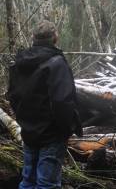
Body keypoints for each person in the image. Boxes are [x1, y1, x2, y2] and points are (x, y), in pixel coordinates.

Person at [7, 20, 82, 189]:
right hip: (51, 135)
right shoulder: (56, 63)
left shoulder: (19, 63)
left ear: (33, 38)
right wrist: (66, 128)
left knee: (28, 180)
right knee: (46, 184)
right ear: (55, 37)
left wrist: (23, 121)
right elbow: (62, 102)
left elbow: (12, 96)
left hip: (29, 131)